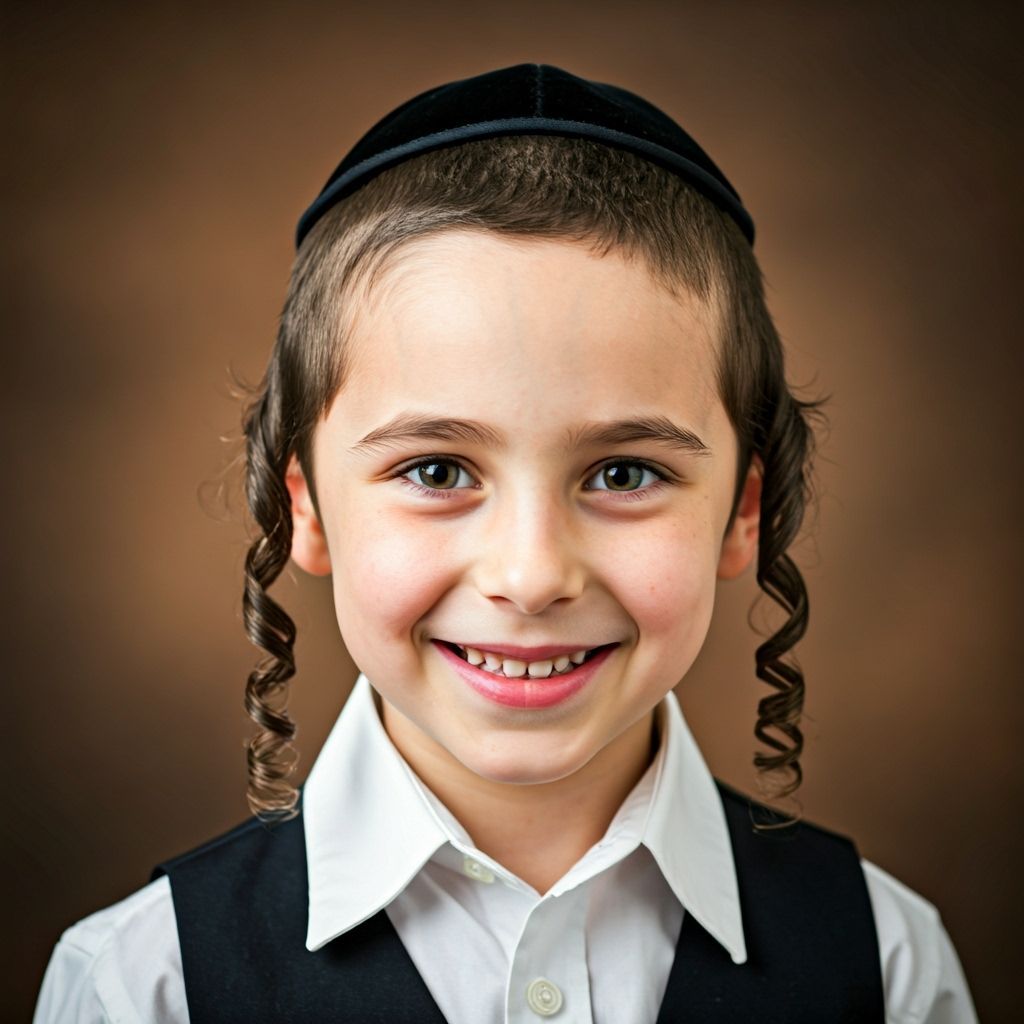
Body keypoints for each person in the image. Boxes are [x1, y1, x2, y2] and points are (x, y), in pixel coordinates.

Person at [34, 64, 977, 1023]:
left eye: (622, 473)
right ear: (307, 508)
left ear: (743, 511)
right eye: (437, 471)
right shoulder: (143, 985)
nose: (530, 577)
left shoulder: (888, 964)